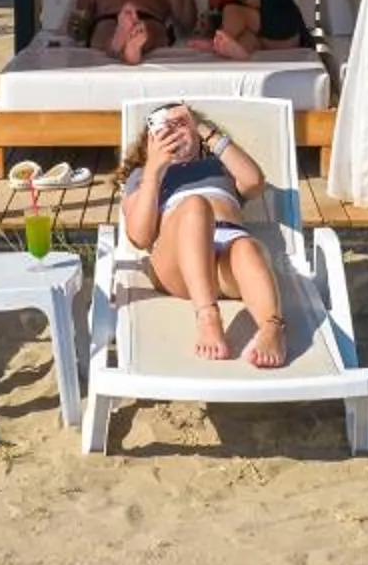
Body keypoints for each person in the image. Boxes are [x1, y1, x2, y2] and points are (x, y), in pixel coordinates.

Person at [121, 102, 289, 367]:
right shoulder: (143, 176)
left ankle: (272, 328)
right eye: (165, 128)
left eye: (181, 124)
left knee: (247, 246)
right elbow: (139, 237)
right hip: (177, 264)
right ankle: (208, 316)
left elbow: (255, 181)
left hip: (226, 257)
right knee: (195, 206)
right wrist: (154, 170)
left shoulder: (218, 166)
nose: (175, 132)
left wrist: (201, 126)